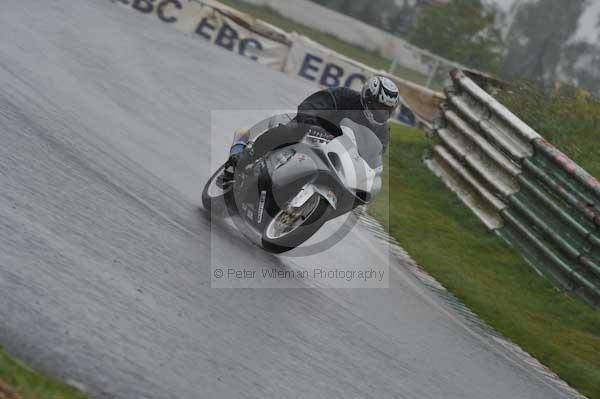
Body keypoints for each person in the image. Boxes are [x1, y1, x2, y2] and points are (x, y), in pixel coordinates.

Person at [221, 76, 402, 184]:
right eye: (378, 107)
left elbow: (376, 154)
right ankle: (243, 158)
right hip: (312, 131)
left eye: (386, 111)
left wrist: (369, 173)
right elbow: (313, 104)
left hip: (336, 154)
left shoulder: (382, 130)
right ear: (367, 98)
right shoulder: (343, 96)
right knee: (292, 130)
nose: (381, 113)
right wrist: (310, 119)